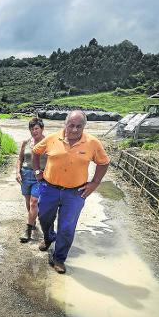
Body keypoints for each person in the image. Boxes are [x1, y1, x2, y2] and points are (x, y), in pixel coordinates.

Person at [32, 110, 110, 274]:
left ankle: (59, 258)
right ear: (65, 124)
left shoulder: (92, 143)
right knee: (44, 218)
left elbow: (104, 163)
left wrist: (95, 183)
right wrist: (37, 171)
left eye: (79, 126)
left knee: (67, 227)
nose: (74, 130)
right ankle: (48, 237)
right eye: (71, 125)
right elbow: (35, 152)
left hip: (75, 193)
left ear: (84, 126)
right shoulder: (52, 138)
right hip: (49, 188)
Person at [15, 118, 47, 243]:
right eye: (31, 129)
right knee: (28, 202)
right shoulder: (26, 142)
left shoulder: (47, 142)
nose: (34, 131)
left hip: (39, 176)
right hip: (25, 175)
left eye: (36, 128)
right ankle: (32, 221)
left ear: (42, 128)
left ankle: (27, 231)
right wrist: (17, 172)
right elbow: (20, 159)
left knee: (34, 202)